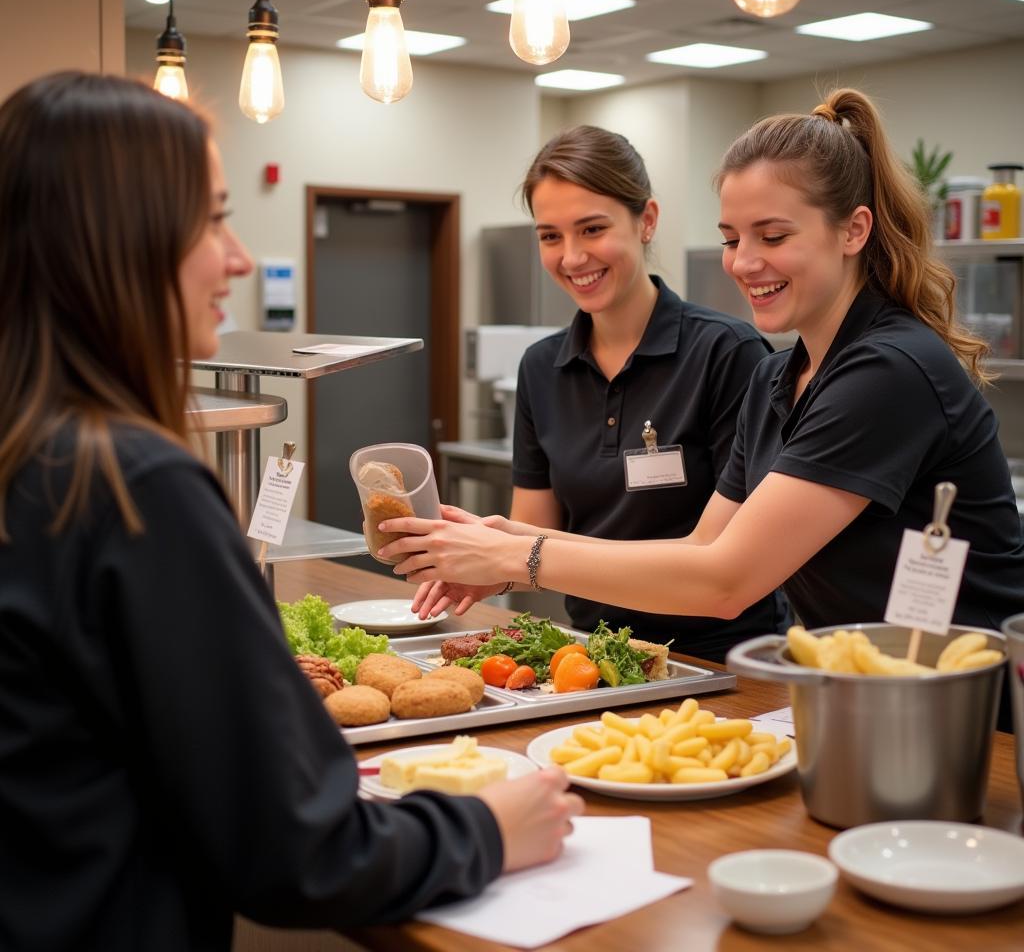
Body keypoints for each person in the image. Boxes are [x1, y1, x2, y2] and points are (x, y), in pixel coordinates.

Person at [0, 71, 581, 951]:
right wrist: (488, 828)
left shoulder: (27, 451)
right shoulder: (133, 485)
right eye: (212, 218)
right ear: (120, 239)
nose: (236, 256)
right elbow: (296, 848)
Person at [388, 89, 1024, 649]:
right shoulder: (779, 379)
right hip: (876, 689)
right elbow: (702, 547)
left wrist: (520, 555)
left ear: (854, 230)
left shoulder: (888, 369)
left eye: (772, 237)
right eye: (730, 239)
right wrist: (511, 550)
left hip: (977, 707)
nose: (745, 262)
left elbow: (726, 583)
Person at [414, 125, 788, 663]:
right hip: (596, 654)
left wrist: (512, 556)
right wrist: (487, 568)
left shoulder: (729, 354)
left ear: (647, 221)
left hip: (724, 656)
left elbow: (722, 558)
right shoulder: (541, 368)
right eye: (549, 236)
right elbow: (536, 532)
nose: (571, 257)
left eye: (592, 229)